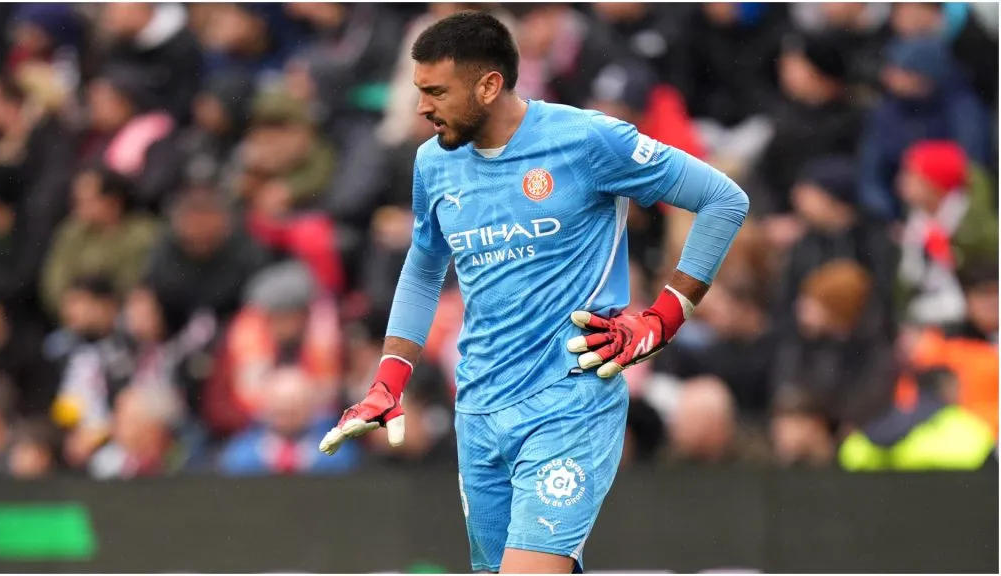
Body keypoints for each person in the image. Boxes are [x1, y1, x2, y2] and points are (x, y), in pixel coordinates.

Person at [318, 11, 749, 574]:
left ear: (489, 85)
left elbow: (721, 199)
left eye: (435, 92)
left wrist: (663, 318)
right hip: (478, 408)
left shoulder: (586, 140)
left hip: (570, 401)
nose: (420, 106)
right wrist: (388, 380)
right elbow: (424, 268)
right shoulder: (432, 162)